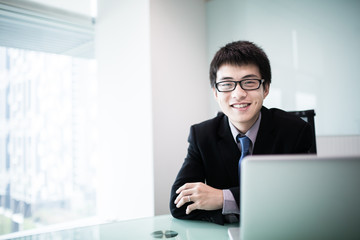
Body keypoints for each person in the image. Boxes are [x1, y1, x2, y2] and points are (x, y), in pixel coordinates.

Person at [169, 40, 314, 225]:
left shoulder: (295, 131)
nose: (238, 94)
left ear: (266, 88)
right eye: (227, 84)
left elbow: (300, 198)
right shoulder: (202, 135)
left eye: (249, 82)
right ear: (215, 93)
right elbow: (179, 205)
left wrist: (223, 199)